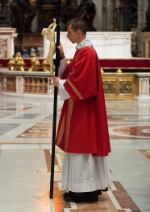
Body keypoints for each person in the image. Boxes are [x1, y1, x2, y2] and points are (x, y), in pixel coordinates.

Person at [52, 18, 111, 203]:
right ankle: (82, 188)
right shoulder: (81, 51)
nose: (67, 36)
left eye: (69, 32)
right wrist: (61, 57)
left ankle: (86, 190)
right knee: (78, 147)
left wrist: (60, 83)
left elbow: (84, 84)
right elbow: (72, 73)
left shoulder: (87, 53)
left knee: (83, 148)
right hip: (78, 107)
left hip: (85, 109)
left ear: (79, 33)